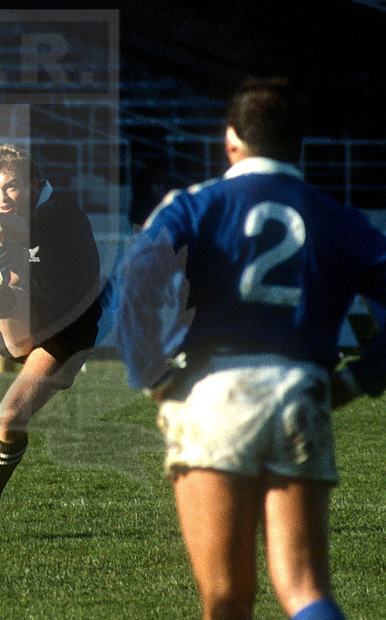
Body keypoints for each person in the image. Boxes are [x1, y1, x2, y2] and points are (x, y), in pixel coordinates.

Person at [115, 77, 386, 620]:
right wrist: (360, 377)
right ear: (298, 144)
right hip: (301, 389)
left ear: (231, 140)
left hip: (215, 390)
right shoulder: (339, 217)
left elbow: (136, 279)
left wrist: (150, 372)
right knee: (306, 588)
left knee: (226, 597)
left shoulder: (193, 205)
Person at [0, 143, 103, 543]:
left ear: (36, 183)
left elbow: (23, 232)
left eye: (12, 187)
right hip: (32, 317)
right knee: (7, 302)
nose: (2, 197)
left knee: (9, 416)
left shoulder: (59, 212)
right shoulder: (19, 218)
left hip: (70, 331)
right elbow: (18, 269)